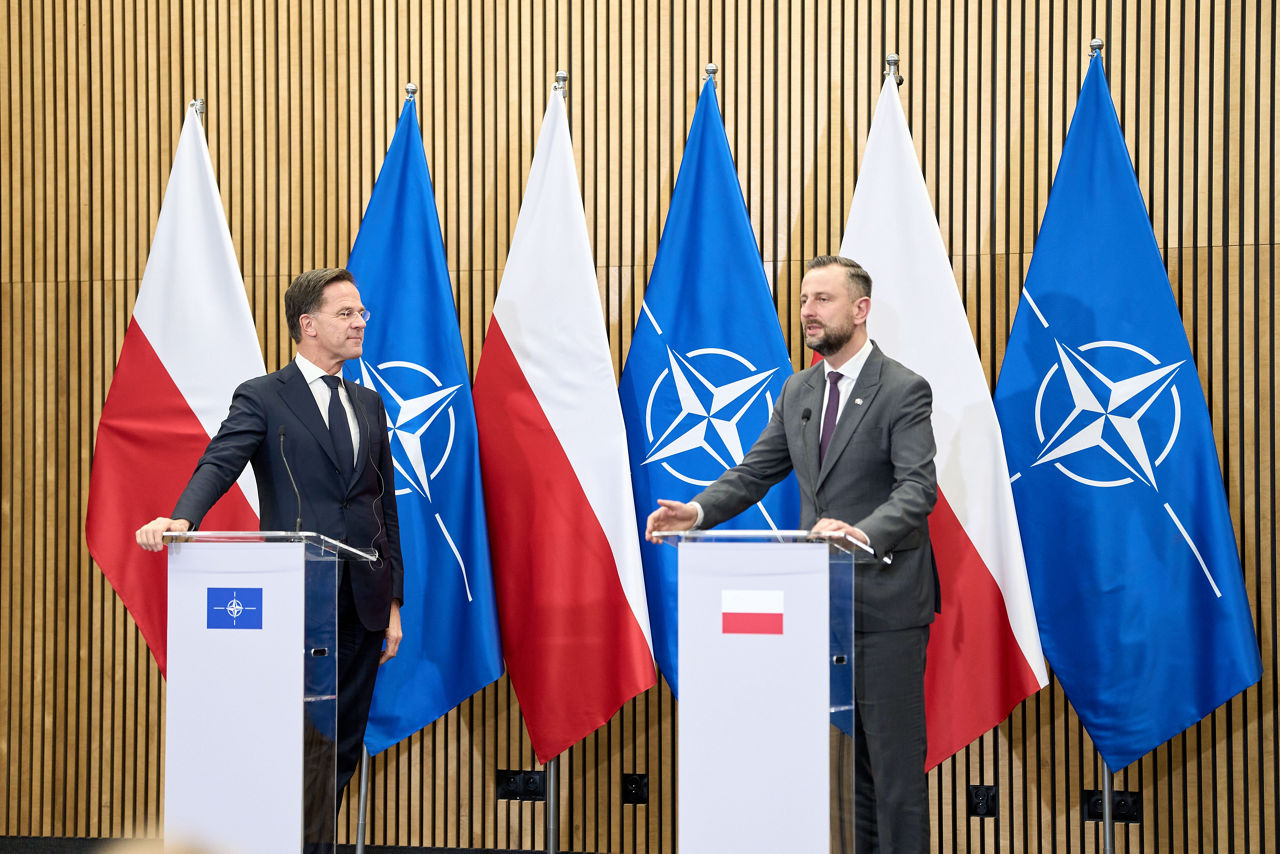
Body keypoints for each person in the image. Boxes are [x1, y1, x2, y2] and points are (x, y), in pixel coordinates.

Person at [644, 255, 938, 853]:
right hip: (819, 604)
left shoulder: (903, 389)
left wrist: (858, 532)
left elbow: (918, 490)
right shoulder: (799, 388)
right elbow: (756, 472)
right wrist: (696, 513)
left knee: (895, 774)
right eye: (804, 299)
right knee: (853, 768)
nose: (807, 310)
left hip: (885, 608)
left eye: (823, 300)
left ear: (860, 310)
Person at [136, 267, 404, 821]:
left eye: (361, 313)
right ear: (308, 325)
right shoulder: (264, 397)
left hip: (364, 601)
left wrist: (395, 601)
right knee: (295, 741)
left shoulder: (369, 404)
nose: (360, 323)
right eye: (346, 313)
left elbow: (384, 508)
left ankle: (314, 837)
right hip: (299, 599)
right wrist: (185, 518)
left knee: (344, 744)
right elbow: (221, 461)